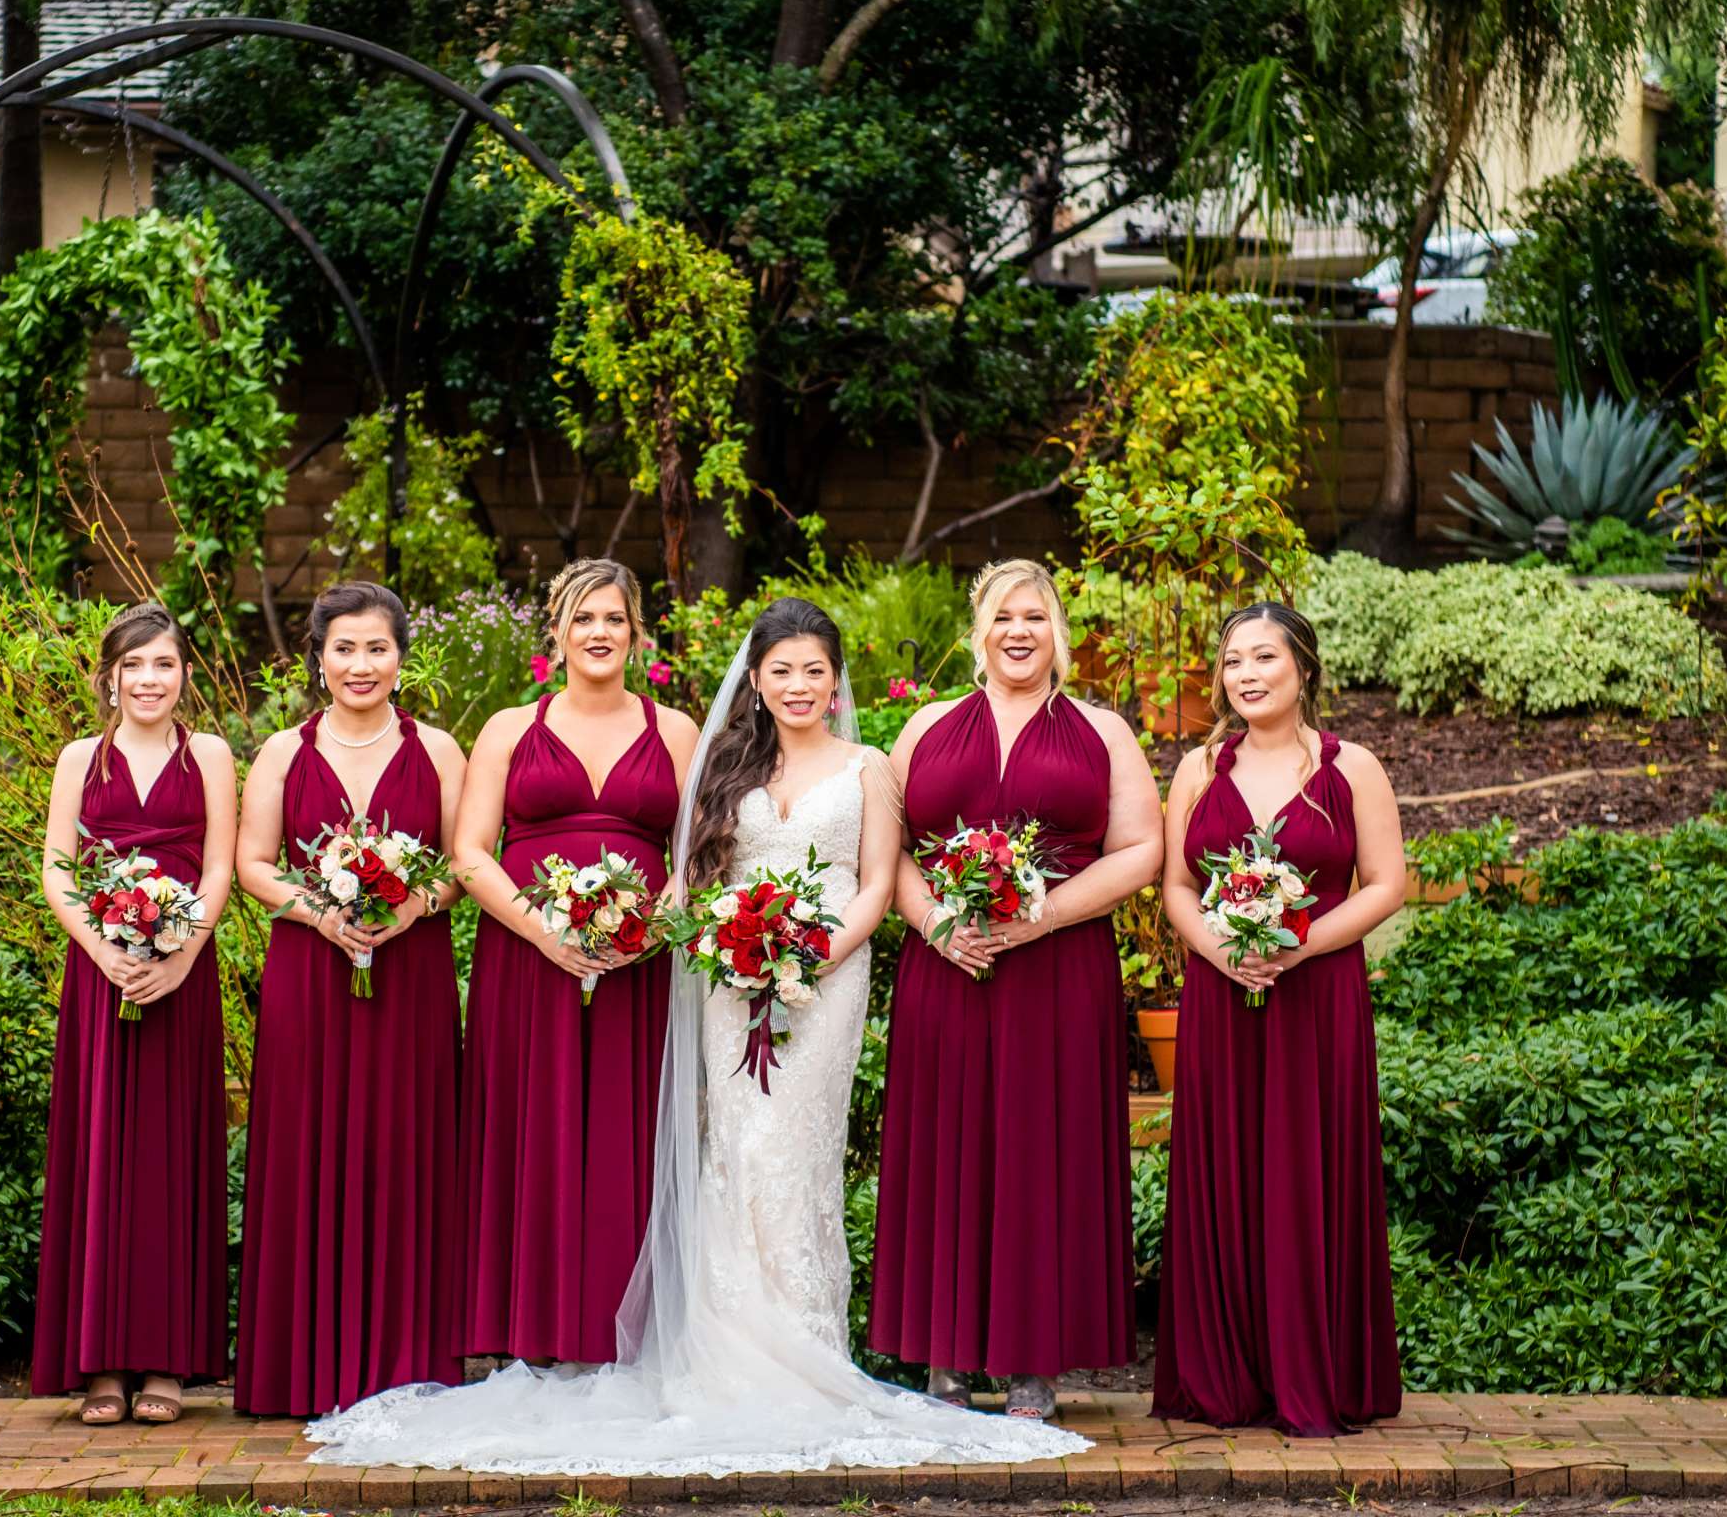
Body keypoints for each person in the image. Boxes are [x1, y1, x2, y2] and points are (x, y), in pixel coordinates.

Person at [305, 596, 1087, 1473]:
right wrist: (691, 937)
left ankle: (807, 1348)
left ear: (837, 683)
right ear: (754, 680)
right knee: (736, 1151)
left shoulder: (871, 767)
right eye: (781, 669)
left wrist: (821, 946)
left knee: (799, 1151)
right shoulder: (723, 766)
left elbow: (878, 879)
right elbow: (694, 871)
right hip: (730, 972)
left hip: (828, 980)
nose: (798, 684)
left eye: (814, 670)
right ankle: (722, 1353)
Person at [870, 559, 1160, 1422]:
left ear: (1057, 631)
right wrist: (934, 924)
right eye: (1003, 617)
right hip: (948, 969)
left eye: (1035, 616)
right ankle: (945, 1358)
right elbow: (889, 859)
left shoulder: (1102, 732)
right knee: (946, 1144)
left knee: (1044, 1151)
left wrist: (1047, 915)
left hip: (1059, 970)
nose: (1018, 631)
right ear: (978, 633)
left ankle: (1034, 1364)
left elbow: (1142, 849)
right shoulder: (924, 727)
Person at [1151, 602, 1406, 1437]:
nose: (1247, 675)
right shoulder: (1198, 769)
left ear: (1303, 668)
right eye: (1232, 662)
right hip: (1222, 999)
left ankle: (1318, 1373)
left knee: (1308, 1171)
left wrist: (1299, 946)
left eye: (1264, 657)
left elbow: (1384, 884)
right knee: (1227, 1169)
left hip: (1318, 1003)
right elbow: (1177, 888)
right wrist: (1222, 955)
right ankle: (1227, 1375)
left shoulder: (1352, 767)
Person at [452, 558, 699, 1365]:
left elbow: (699, 855)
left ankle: (624, 1335)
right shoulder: (506, 728)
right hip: (527, 963)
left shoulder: (676, 731)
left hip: (640, 970)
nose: (599, 633)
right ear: (555, 634)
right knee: (533, 1127)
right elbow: (468, 854)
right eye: (582, 619)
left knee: (629, 1130)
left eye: (614, 620)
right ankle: (527, 1333)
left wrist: (648, 930)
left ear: (636, 635)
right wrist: (542, 931)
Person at [233, 582, 469, 1417]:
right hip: (310, 975)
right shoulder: (281, 753)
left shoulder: (439, 750)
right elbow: (252, 865)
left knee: (406, 1146)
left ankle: (407, 1359)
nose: (361, 665)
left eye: (377, 648)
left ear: (402, 658)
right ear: (319, 659)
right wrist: (321, 915)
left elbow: (459, 865)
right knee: (309, 1146)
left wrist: (406, 909)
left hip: (410, 977)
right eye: (345, 649)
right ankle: (306, 1364)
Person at [32, 601, 237, 1426]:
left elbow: (219, 867)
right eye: (134, 666)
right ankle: (102, 1368)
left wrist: (183, 954)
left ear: (185, 674)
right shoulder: (81, 757)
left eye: (163, 665)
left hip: (184, 981)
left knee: (171, 1157)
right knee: (102, 1155)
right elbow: (56, 869)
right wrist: (101, 949)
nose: (149, 680)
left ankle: (168, 1364)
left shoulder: (212, 755)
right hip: (100, 980)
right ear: (109, 677)